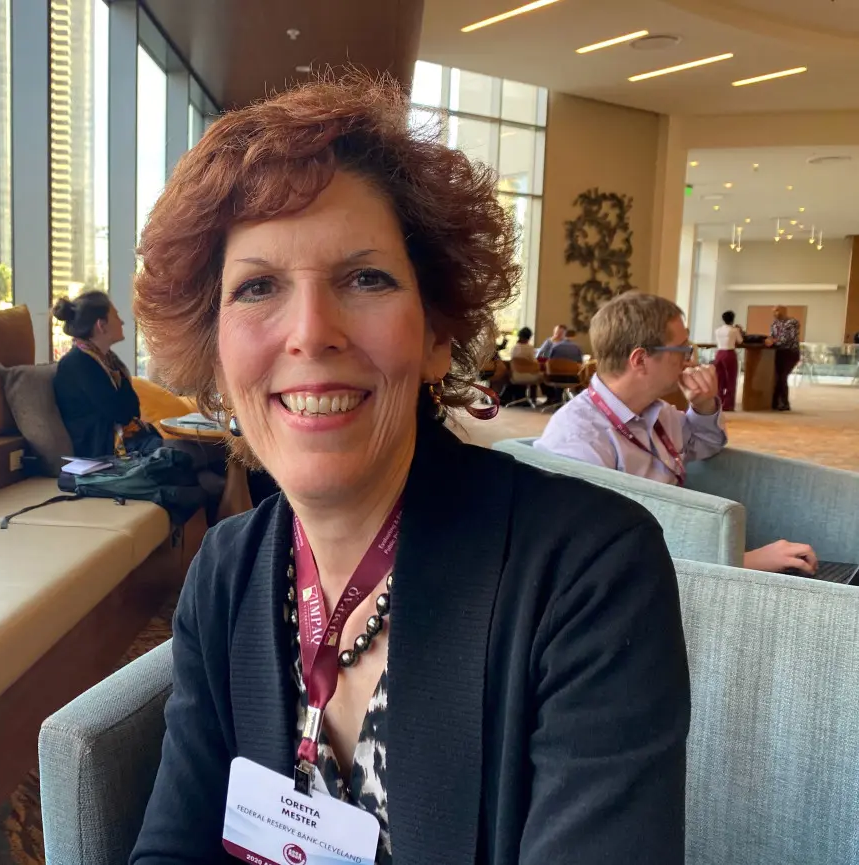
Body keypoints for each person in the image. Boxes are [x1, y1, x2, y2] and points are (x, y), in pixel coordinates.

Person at [130, 75, 689, 865]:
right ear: (215, 358)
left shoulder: (587, 575)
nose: (311, 331)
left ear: (436, 335)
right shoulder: (223, 576)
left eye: (365, 278)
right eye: (258, 286)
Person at [536, 292, 818, 575]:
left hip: (686, 550)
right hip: (658, 576)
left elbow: (707, 445)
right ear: (641, 360)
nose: (690, 360)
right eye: (683, 349)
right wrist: (741, 564)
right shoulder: (579, 440)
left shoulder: (658, 412)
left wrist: (704, 405)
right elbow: (604, 557)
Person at [52, 291, 160, 458]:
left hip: (116, 440)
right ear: (101, 325)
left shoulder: (107, 361)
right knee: (176, 458)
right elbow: (122, 413)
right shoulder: (78, 363)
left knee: (180, 454)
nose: (122, 322)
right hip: (100, 449)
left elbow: (132, 411)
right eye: (116, 316)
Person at [765, 305, 801, 411]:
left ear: (783, 311)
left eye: (776, 311)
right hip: (778, 352)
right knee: (777, 377)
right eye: (773, 311)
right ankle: (775, 402)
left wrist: (774, 341)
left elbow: (789, 339)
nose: (774, 313)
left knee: (782, 377)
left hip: (790, 352)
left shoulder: (792, 323)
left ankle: (784, 403)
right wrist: (769, 340)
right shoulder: (774, 323)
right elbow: (772, 336)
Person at [714, 310, 743, 411]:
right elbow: (740, 341)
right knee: (731, 379)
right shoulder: (734, 330)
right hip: (729, 353)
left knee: (719, 379)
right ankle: (728, 405)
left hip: (718, 354)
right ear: (733, 319)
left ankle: (718, 403)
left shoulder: (717, 330)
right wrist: (739, 330)